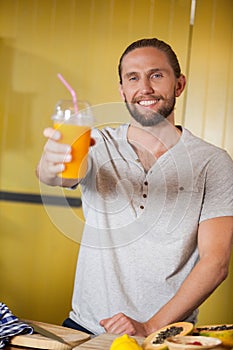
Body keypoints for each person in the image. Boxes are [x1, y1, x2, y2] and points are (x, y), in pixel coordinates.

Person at [36, 38, 233, 337]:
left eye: (156, 75)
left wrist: (150, 326)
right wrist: (51, 166)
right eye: (133, 78)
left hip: (165, 336)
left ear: (179, 85)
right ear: (122, 91)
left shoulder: (212, 162)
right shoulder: (97, 144)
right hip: (87, 330)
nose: (145, 88)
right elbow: (58, 175)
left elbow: (216, 262)